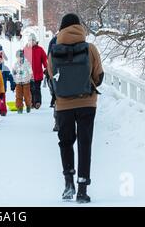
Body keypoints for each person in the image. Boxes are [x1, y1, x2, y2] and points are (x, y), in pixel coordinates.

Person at [48, 13, 104, 204]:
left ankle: (68, 183)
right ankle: (82, 189)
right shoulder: (90, 48)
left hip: (63, 105)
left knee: (66, 142)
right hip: (87, 103)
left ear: (61, 29)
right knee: (84, 143)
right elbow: (99, 76)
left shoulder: (54, 51)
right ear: (79, 27)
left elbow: (50, 76)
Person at [23, 33, 47, 109]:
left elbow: (44, 59)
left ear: (35, 41)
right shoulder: (25, 49)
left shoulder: (40, 49)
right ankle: (30, 102)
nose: (31, 42)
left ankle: (37, 102)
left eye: (33, 40)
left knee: (37, 89)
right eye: (30, 40)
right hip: (28, 74)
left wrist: (46, 67)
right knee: (30, 89)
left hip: (38, 73)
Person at [12, 50, 33, 114]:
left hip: (26, 82)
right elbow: (13, 73)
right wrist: (14, 78)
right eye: (18, 57)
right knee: (18, 96)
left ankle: (28, 105)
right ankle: (19, 108)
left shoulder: (27, 63)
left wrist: (28, 78)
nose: (19, 58)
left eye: (21, 57)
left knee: (27, 96)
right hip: (18, 83)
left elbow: (30, 72)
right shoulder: (15, 64)